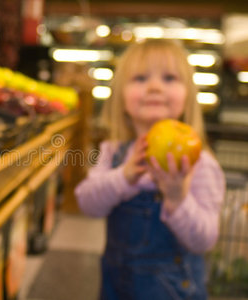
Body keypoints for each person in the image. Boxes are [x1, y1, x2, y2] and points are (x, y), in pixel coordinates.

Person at [74, 39, 225, 300]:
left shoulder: (200, 163)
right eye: (140, 78)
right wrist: (124, 177)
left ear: (188, 97)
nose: (154, 87)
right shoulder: (113, 152)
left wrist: (177, 198)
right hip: (115, 287)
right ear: (121, 98)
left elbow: (204, 240)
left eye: (169, 78)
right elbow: (86, 204)